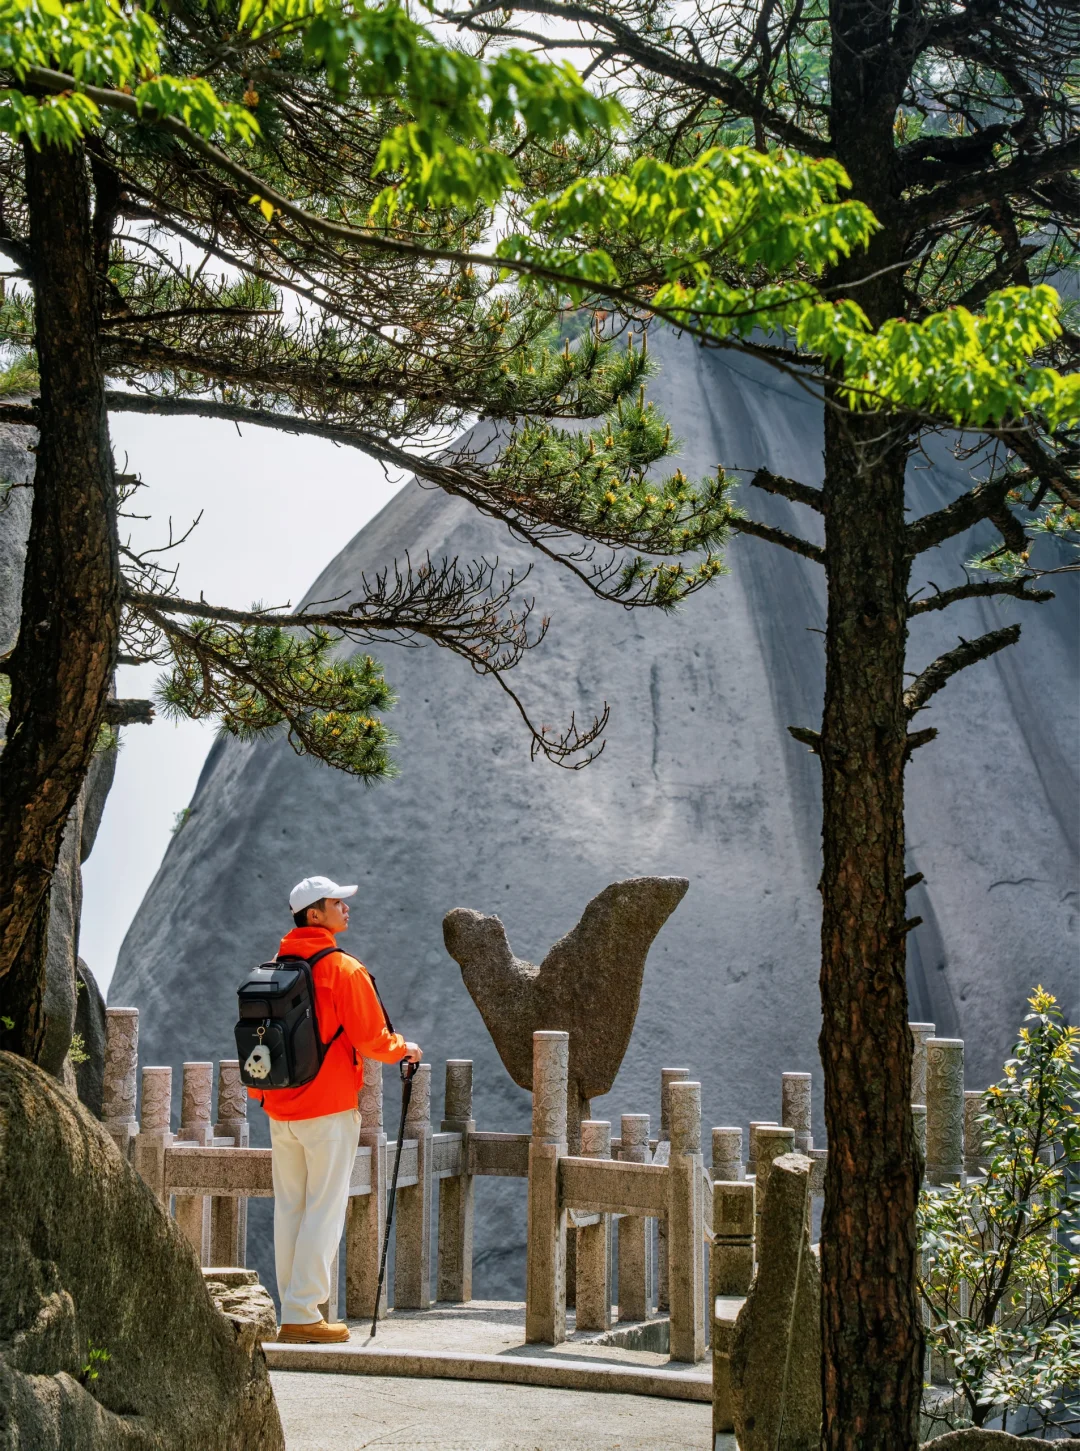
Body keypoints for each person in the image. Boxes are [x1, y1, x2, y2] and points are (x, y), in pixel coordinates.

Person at [251, 874, 422, 1344]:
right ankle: (304, 1314)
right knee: (324, 1210)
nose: (346, 907)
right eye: (336, 902)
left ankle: (294, 1312)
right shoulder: (342, 969)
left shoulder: (274, 967)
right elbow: (372, 1039)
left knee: (291, 1209)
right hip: (327, 1108)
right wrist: (405, 1048)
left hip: (280, 1106)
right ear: (314, 914)